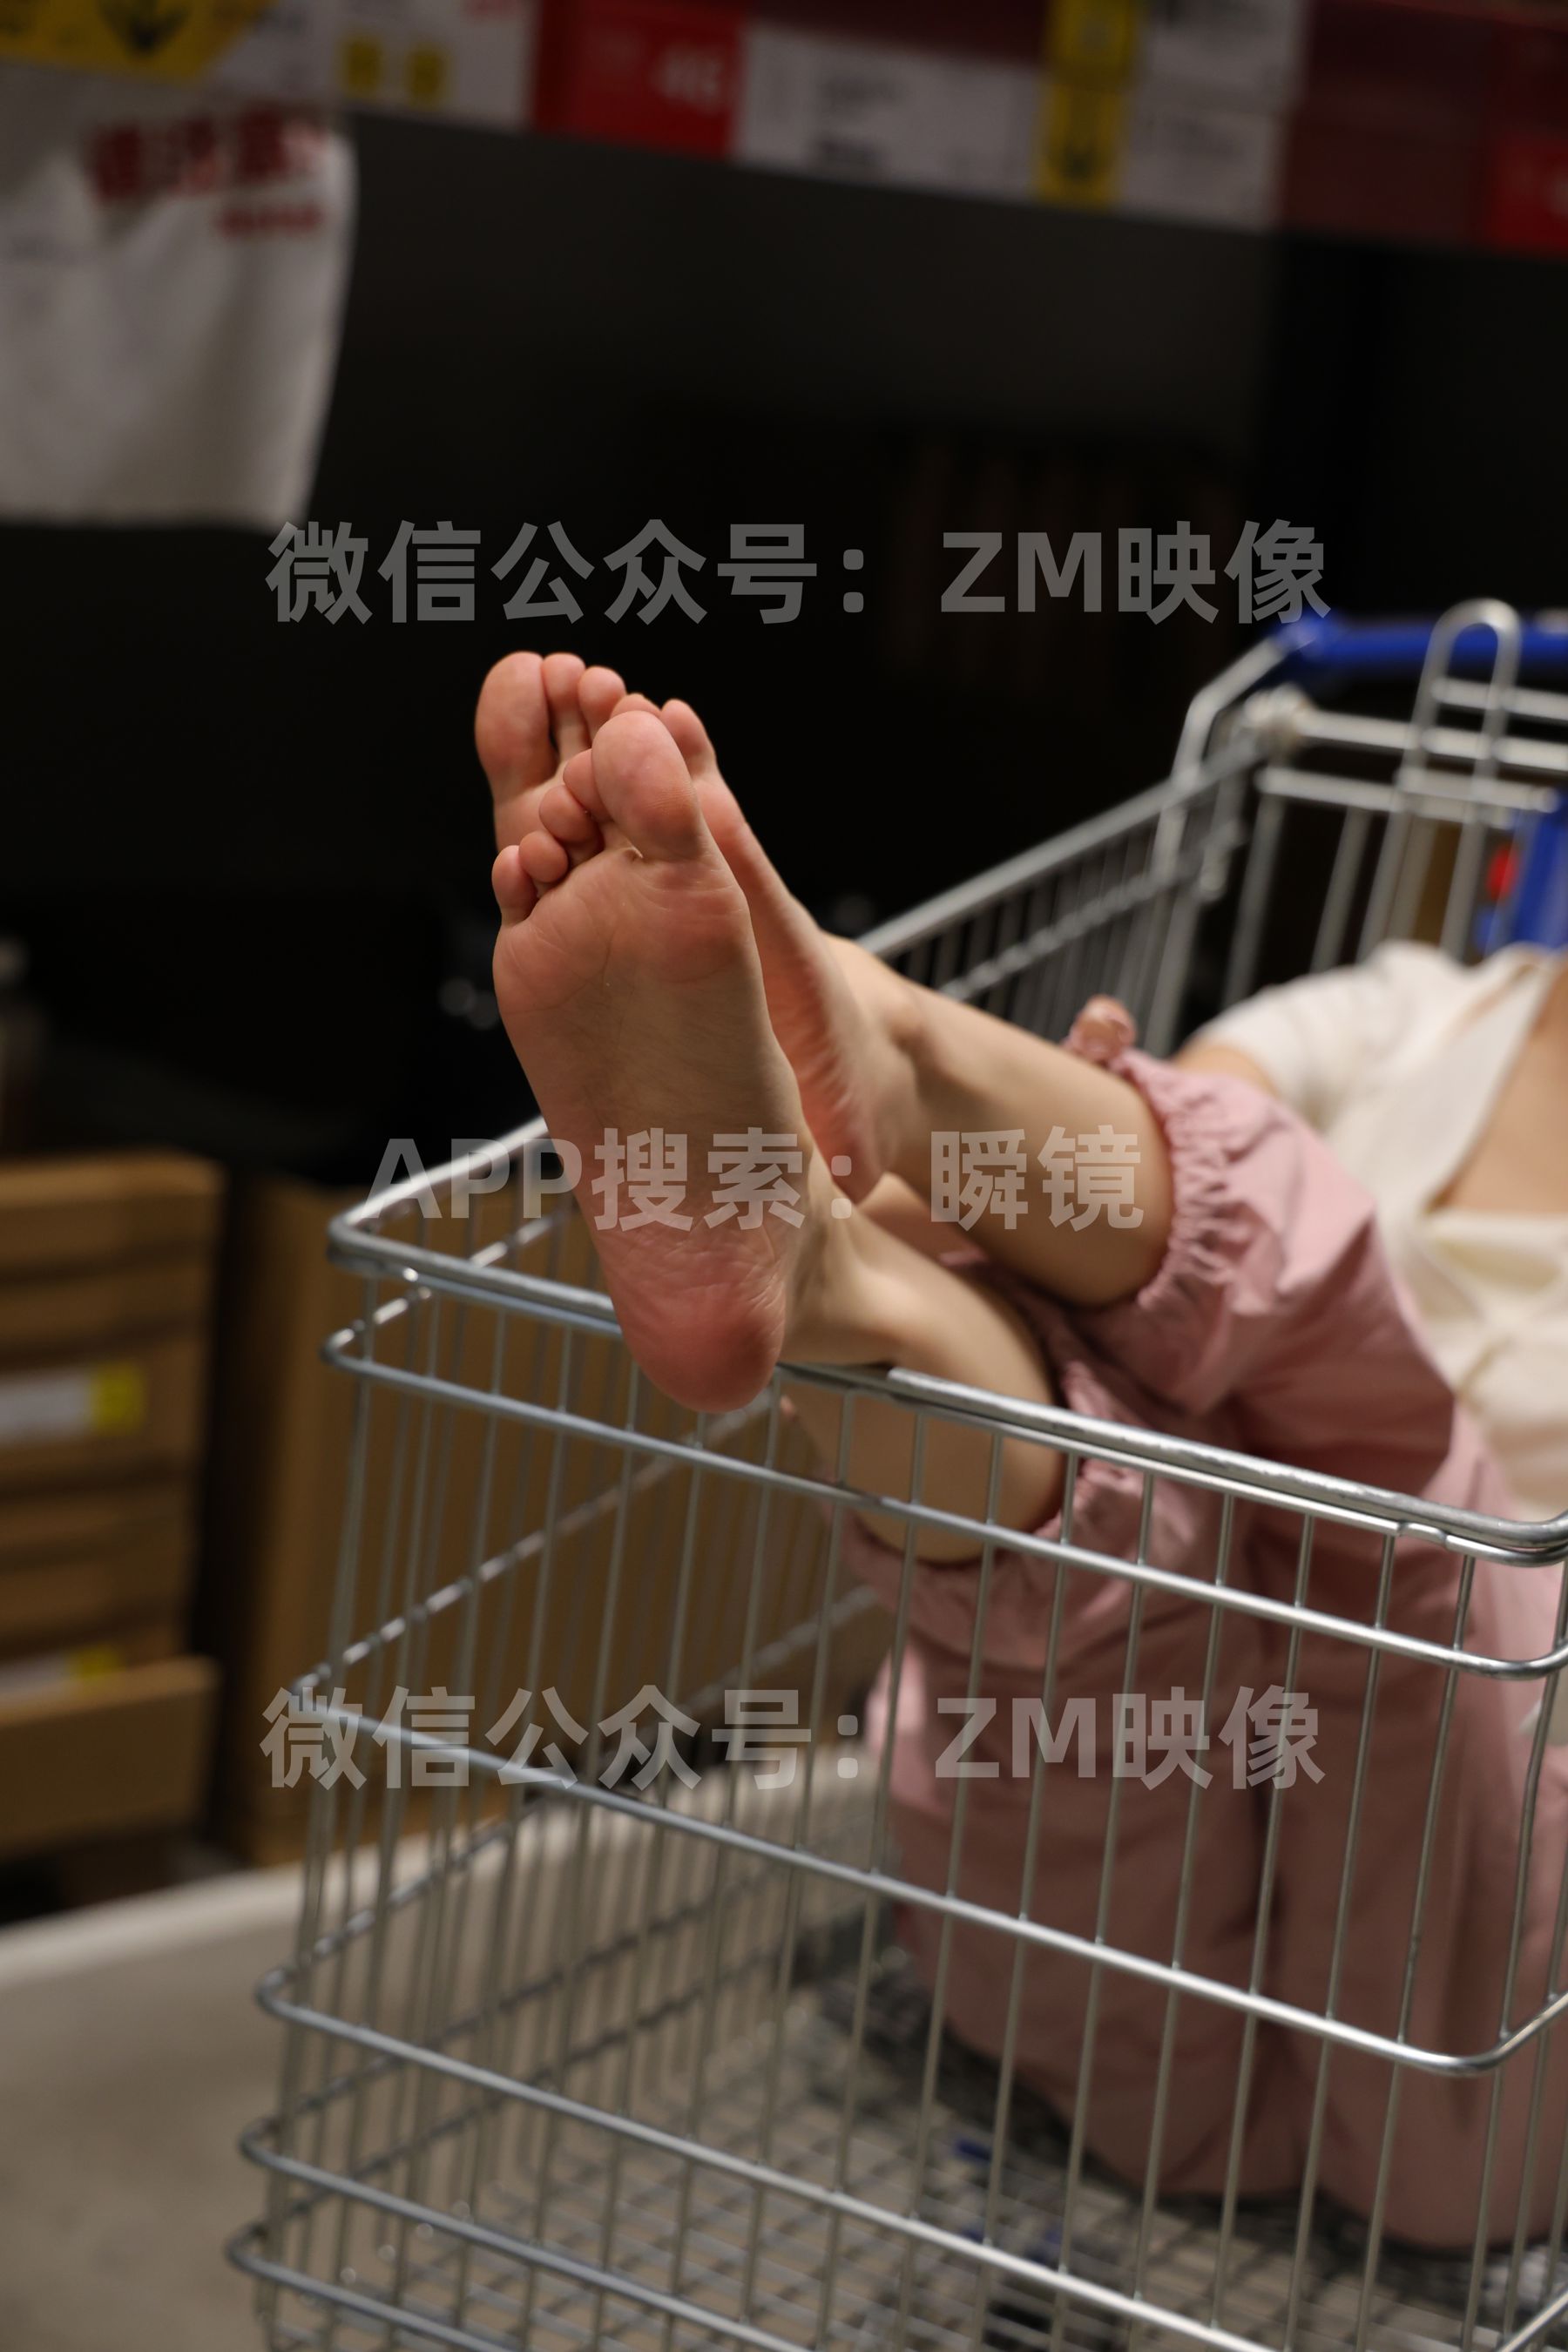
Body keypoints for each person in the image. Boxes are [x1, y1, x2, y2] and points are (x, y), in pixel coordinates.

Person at [473, 650, 1568, 2251]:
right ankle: (828, 1257)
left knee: (1390, 1488)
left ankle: (881, 1148)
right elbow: (1164, 1200)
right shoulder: (1401, 1019)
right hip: (1148, 1899)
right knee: (1173, 1375)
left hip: (1487, 1920)